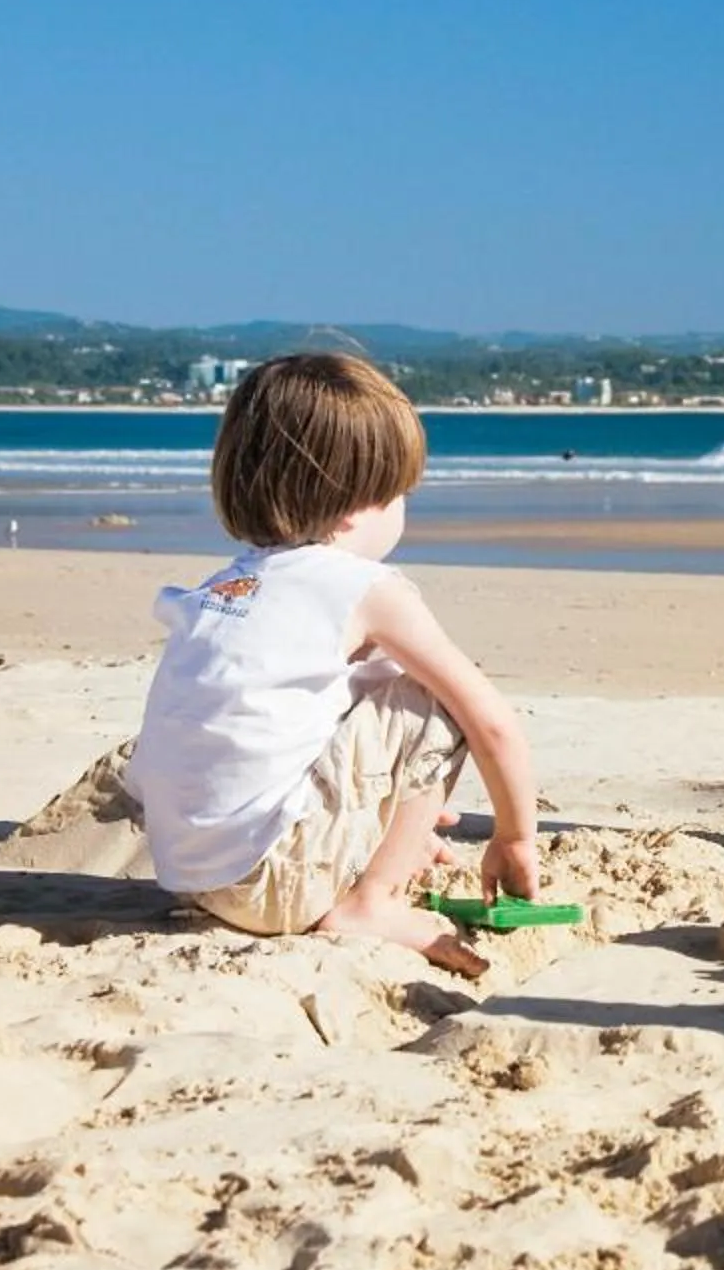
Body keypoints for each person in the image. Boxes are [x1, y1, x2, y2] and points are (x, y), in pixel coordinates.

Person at [126, 354, 540, 977]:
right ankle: (370, 903)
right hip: (272, 882)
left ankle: (364, 869)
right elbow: (493, 724)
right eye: (399, 493)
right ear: (355, 507)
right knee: (431, 702)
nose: (405, 509)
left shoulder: (229, 587)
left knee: (349, 703)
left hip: (190, 876)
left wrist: (387, 822)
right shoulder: (364, 588)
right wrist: (515, 837)